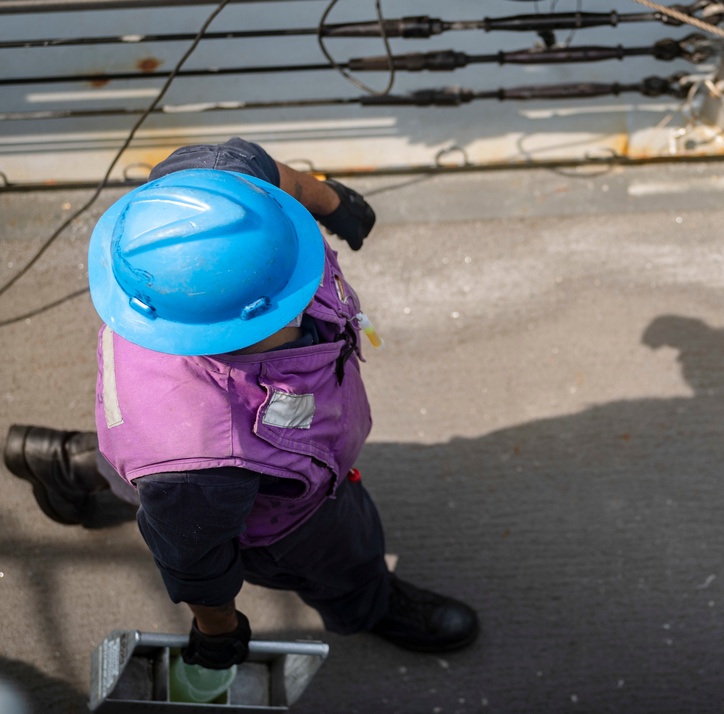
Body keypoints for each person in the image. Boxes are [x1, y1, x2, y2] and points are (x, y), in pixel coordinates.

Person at [3, 138, 479, 669]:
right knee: (326, 550)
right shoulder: (197, 456)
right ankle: (371, 603)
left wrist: (328, 200)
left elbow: (258, 167)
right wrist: (220, 628)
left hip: (170, 459)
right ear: (252, 319)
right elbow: (195, 561)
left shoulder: (192, 210)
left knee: (156, 479)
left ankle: (70, 465)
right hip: (289, 523)